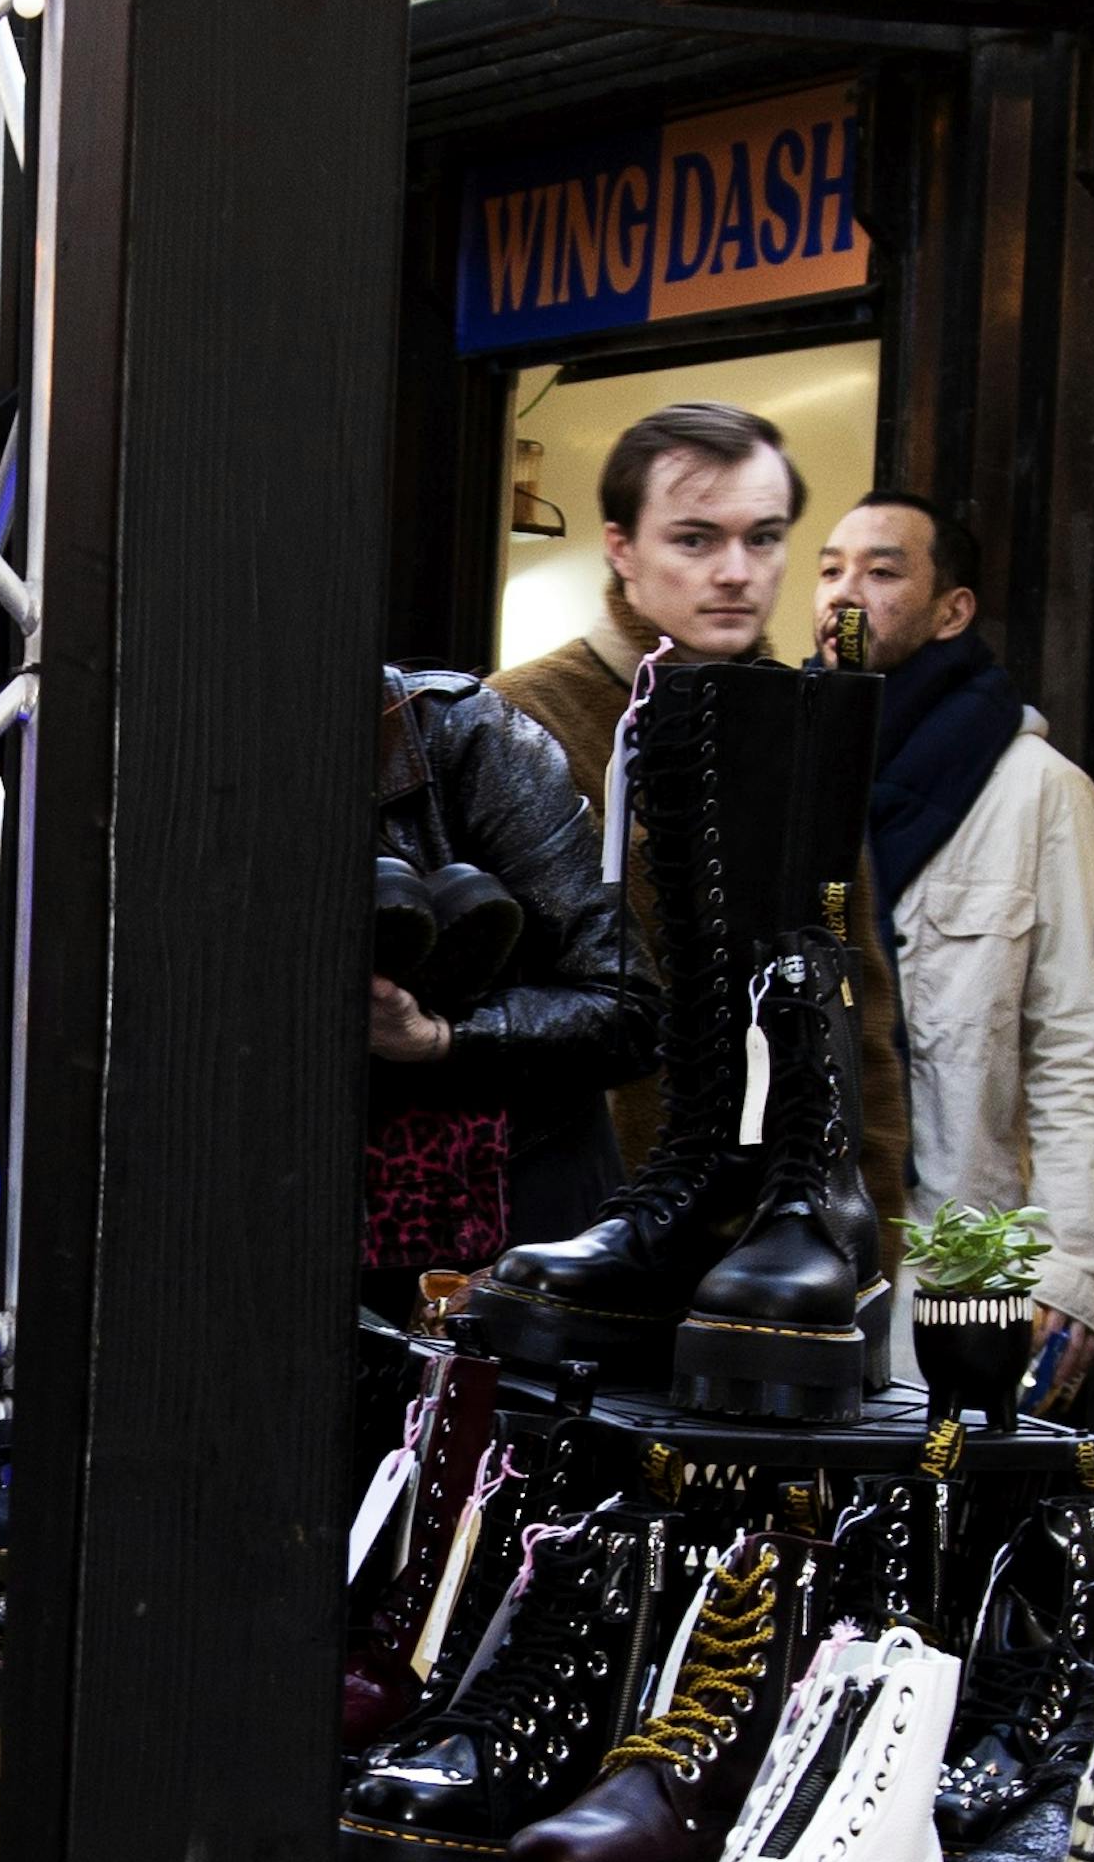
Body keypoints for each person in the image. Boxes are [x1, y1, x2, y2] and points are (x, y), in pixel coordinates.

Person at [493, 398, 910, 1234]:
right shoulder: (513, 724)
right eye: (695, 539)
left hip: (772, 1243)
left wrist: (869, 1250)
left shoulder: (801, 728)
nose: (735, 571)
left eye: (762, 538)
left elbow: (854, 1016)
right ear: (623, 548)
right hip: (571, 1227)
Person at [812, 489, 1094, 1382]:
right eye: (830, 569)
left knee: (937, 1494)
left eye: (881, 571)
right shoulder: (792, 761)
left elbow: (1073, 1047)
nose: (845, 591)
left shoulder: (1036, 791)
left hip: (961, 1246)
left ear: (953, 611)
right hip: (789, 1242)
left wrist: (1069, 1274)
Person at [362, 664, 650, 1301]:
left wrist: (443, 1039)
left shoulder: (464, 733)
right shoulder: (181, 750)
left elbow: (627, 1007)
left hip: (514, 1228)